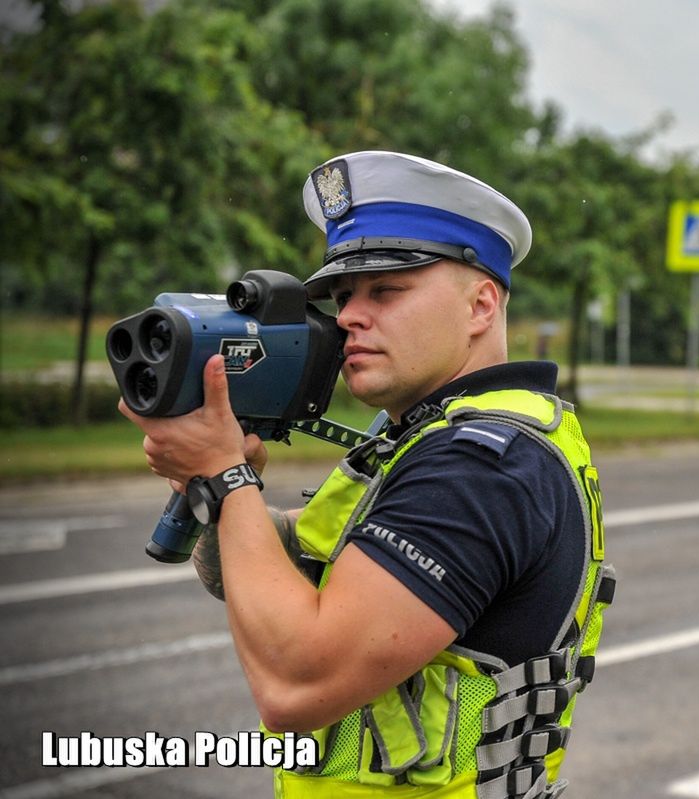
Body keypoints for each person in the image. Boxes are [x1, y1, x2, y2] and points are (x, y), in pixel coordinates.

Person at [121, 151, 615, 798]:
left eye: (386, 290)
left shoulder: (480, 466)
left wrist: (223, 477)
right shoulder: (419, 438)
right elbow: (279, 573)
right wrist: (218, 485)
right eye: (345, 294)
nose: (351, 314)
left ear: (481, 305)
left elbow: (296, 681)